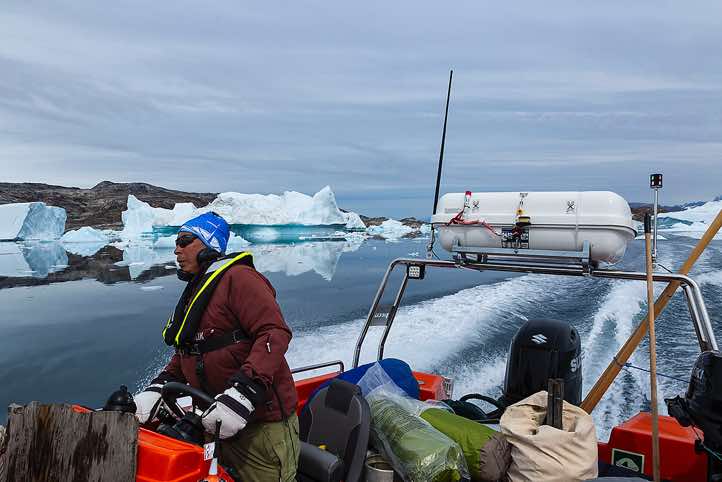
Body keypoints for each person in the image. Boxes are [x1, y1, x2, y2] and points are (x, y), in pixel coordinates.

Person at [134, 212, 299, 481]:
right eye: (177, 242)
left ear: (208, 244)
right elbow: (191, 350)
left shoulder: (240, 278)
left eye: (185, 241)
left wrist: (243, 392)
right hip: (215, 422)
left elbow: (274, 333)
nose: (177, 249)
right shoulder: (199, 289)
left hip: (260, 427)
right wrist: (159, 388)